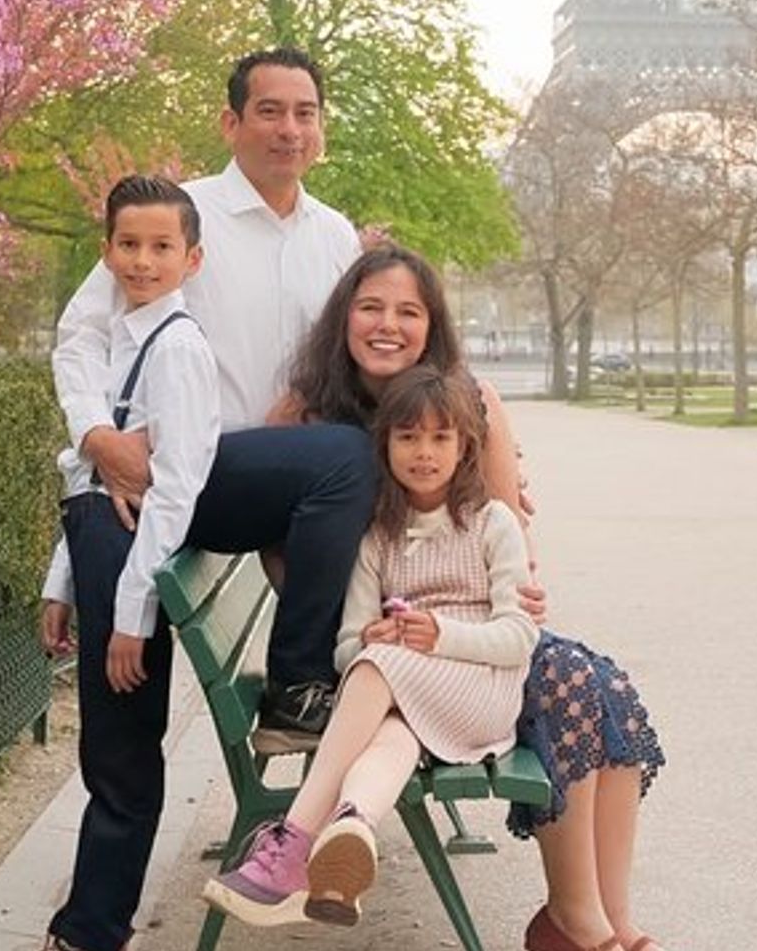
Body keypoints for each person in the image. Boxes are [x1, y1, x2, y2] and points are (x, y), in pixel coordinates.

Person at [278, 245, 668, 951]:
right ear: (344, 318)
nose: (387, 325)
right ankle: (578, 922)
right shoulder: (309, 410)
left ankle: (603, 920)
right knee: (572, 682)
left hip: (474, 627)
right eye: (370, 307)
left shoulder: (472, 402)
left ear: (433, 325)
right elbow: (266, 513)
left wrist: (520, 585)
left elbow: (505, 537)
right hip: (385, 635)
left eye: (408, 311)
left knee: (600, 686)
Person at [49, 48, 373, 755]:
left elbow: (360, 354)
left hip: (278, 482)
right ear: (231, 123)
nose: (289, 128)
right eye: (269, 111)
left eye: (305, 113)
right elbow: (79, 335)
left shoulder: (335, 235)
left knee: (373, 463)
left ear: (321, 129)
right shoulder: (181, 219)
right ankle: (297, 685)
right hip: (185, 471)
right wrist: (96, 435)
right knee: (348, 458)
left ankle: (372, 708)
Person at [202, 365, 539, 929]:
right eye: (407, 437)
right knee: (390, 735)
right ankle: (351, 831)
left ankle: (293, 841)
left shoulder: (491, 523)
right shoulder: (377, 536)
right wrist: (371, 636)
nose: (424, 452)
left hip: (482, 686)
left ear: (464, 447)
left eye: (440, 438)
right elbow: (346, 650)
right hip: (411, 693)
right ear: (385, 446)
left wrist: (440, 635)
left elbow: (518, 637)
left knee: (379, 671)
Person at [38, 176, 221, 951]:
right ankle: (90, 923)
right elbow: (102, 476)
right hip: (102, 556)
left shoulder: (176, 348)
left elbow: (171, 494)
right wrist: (64, 577)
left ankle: (92, 931)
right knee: (108, 750)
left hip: (128, 571)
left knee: (120, 754)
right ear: (105, 251)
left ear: (193, 258)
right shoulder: (128, 337)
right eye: (128, 245)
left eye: (160, 247)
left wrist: (131, 613)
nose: (142, 261)